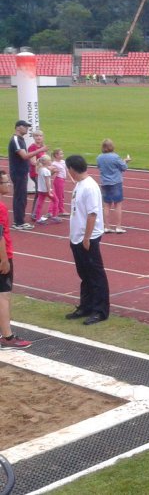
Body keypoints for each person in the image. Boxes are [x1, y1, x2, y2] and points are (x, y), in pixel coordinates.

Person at [64, 155, 110, 325]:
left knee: (96, 274)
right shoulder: (79, 184)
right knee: (84, 274)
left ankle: (100, 310)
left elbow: (92, 214)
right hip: (77, 237)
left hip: (88, 238)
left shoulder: (89, 187)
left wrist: (87, 238)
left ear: (71, 169)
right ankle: (86, 305)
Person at [0, 170, 31, 349]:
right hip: (2, 256)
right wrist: (4, 260)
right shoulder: (1, 208)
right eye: (5, 182)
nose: (8, 185)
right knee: (3, 296)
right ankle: (7, 337)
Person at [9, 120, 46, 230]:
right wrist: (40, 150)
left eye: (27, 126)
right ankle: (18, 223)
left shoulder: (20, 139)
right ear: (18, 128)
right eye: (24, 126)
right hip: (18, 173)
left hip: (21, 172)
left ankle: (19, 221)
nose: (27, 128)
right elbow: (24, 156)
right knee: (20, 197)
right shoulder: (16, 139)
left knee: (22, 197)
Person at [96, 139, 131, 234]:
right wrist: (125, 161)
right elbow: (124, 167)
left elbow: (99, 167)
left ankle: (107, 226)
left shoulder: (99, 157)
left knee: (106, 205)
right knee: (117, 205)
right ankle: (118, 227)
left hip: (104, 182)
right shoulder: (115, 157)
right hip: (115, 182)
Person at [31, 155, 58, 224]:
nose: (51, 161)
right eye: (50, 160)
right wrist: (49, 191)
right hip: (46, 190)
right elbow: (47, 182)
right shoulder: (46, 171)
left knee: (40, 204)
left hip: (40, 190)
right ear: (46, 162)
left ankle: (38, 218)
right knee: (56, 201)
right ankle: (54, 216)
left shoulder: (39, 169)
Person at [27, 129, 46, 216]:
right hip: (35, 173)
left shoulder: (43, 147)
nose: (39, 137)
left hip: (42, 173)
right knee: (39, 193)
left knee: (40, 193)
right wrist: (44, 163)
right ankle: (34, 213)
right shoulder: (32, 147)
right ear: (33, 137)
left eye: (40, 136)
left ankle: (36, 212)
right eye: (37, 136)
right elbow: (33, 162)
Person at [50, 148, 68, 218]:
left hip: (62, 180)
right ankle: (58, 210)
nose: (62, 155)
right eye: (60, 154)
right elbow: (50, 173)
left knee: (60, 196)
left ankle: (55, 210)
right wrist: (54, 171)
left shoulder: (63, 162)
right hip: (58, 180)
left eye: (62, 154)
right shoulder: (54, 164)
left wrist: (72, 179)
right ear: (56, 155)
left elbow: (66, 170)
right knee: (59, 196)